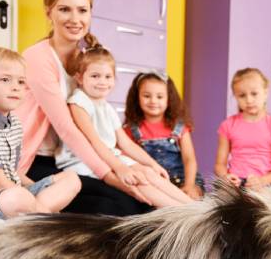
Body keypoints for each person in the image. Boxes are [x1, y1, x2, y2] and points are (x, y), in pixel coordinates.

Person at [17, 0, 152, 216]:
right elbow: (67, 128)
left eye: (82, 10)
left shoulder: (87, 59)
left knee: (140, 200)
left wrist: (136, 166)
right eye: (64, 9)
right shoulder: (38, 57)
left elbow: (97, 126)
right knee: (121, 205)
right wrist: (111, 176)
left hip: (76, 157)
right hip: (39, 161)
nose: (75, 19)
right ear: (49, 13)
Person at [0, 47, 81, 228]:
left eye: (21, 81)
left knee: (71, 178)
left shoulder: (14, 123)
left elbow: (14, 173)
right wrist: (30, 199)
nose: (16, 87)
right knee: (18, 197)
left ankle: (34, 216)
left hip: (12, 191)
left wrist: (37, 191)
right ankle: (42, 219)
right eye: (5, 80)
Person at [57, 47, 191, 207]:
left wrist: (153, 164)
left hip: (108, 156)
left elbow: (126, 143)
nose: (102, 82)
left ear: (114, 79)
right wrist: (120, 168)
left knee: (148, 172)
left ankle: (196, 208)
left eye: (108, 77)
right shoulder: (78, 102)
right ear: (79, 77)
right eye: (95, 76)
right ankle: (182, 212)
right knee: (138, 180)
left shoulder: (106, 107)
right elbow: (94, 143)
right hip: (85, 160)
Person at [123, 72, 204, 199]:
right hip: (153, 182)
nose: (153, 101)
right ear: (137, 98)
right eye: (146, 96)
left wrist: (189, 185)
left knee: (193, 201)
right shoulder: (131, 129)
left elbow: (189, 159)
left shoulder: (179, 127)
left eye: (159, 97)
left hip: (184, 178)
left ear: (169, 99)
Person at [214, 68, 271, 191]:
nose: (249, 100)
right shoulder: (227, 125)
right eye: (242, 95)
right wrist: (226, 176)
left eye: (254, 94)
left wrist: (262, 181)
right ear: (236, 97)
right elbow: (219, 165)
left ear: (265, 93)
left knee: (261, 204)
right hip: (235, 183)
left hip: (264, 184)